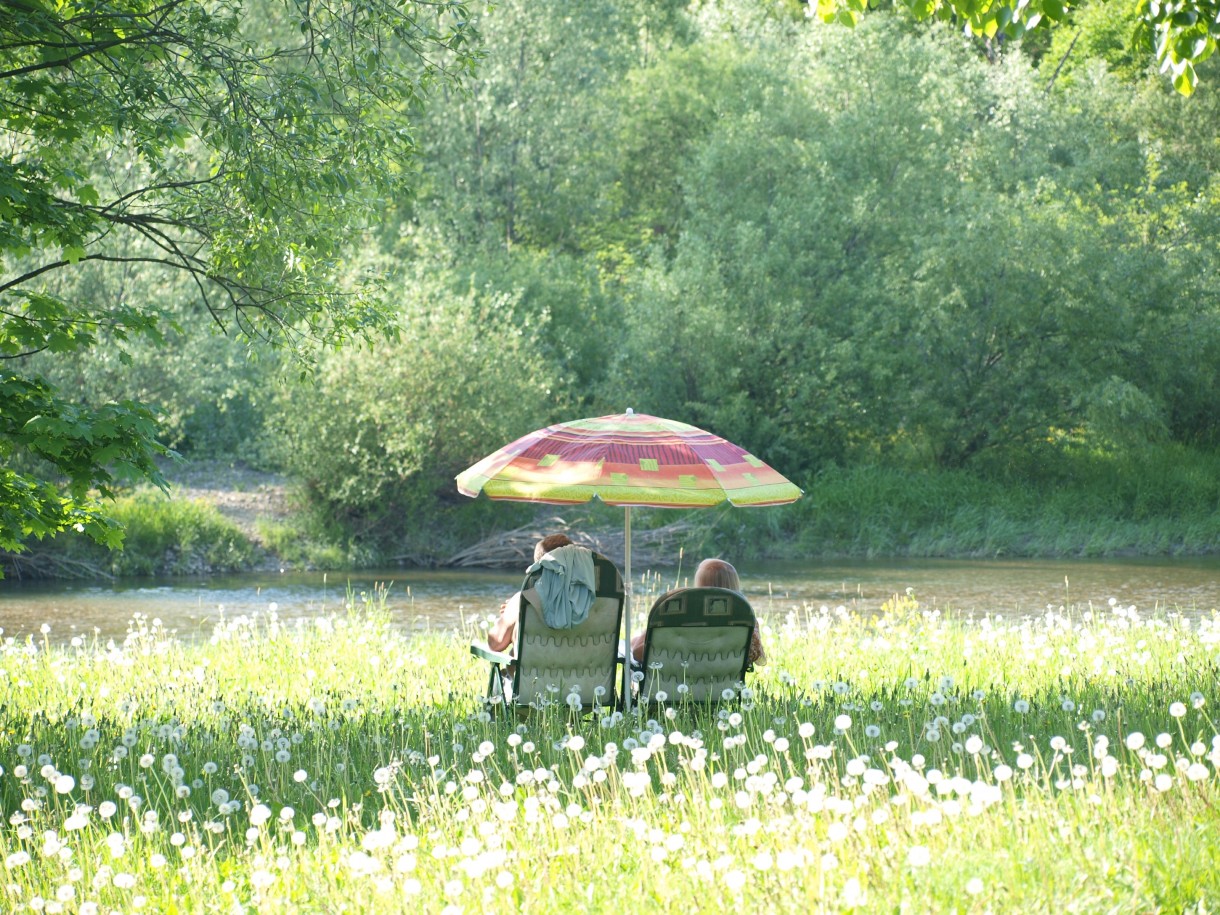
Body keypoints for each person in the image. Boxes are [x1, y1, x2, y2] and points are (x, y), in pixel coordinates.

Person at [630, 557, 766, 667]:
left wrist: (641, 637)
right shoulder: (743, 614)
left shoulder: (677, 610)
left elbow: (637, 653)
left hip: (674, 684)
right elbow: (752, 656)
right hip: (721, 686)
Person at [486, 533, 573, 653]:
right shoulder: (594, 600)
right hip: (583, 670)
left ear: (538, 567)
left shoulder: (525, 598)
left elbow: (495, 644)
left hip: (534, 671)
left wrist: (509, 614)